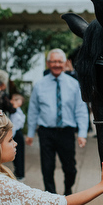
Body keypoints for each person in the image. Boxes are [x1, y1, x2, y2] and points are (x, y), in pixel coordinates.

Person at [26, 48, 89, 195]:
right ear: (48, 63)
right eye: (53, 61)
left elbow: (81, 110)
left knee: (70, 168)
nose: (56, 64)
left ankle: (68, 189)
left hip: (66, 132)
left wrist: (82, 133)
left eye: (59, 61)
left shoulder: (74, 84)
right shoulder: (39, 85)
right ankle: (51, 199)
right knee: (47, 167)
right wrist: (30, 133)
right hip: (46, 132)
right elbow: (33, 110)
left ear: (65, 63)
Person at [9, 93, 26, 180]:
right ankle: (19, 172)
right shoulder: (14, 111)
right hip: (15, 133)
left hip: (19, 133)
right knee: (17, 154)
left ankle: (20, 173)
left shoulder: (18, 110)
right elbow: (14, 124)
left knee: (20, 153)